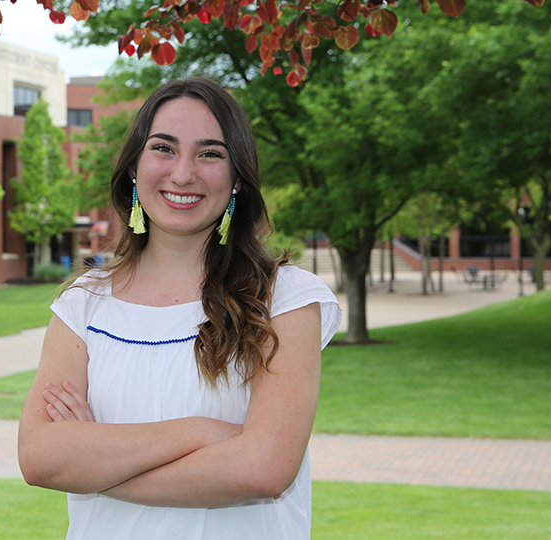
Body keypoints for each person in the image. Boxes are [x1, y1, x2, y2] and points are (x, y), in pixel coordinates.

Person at [17, 78, 341, 540]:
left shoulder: (285, 298)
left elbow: (264, 469)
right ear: (134, 166)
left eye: (210, 153)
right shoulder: (84, 304)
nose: (183, 173)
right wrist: (200, 432)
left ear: (237, 180)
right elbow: (40, 457)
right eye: (163, 148)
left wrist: (95, 463)